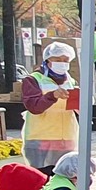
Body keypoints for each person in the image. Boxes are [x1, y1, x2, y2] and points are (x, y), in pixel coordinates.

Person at [21, 42, 78, 172]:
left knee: (64, 177)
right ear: (48, 60)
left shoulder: (71, 81)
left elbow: (76, 109)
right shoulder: (33, 79)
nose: (62, 63)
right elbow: (34, 107)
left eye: (66, 60)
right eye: (58, 59)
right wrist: (53, 95)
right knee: (40, 179)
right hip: (40, 139)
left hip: (66, 139)